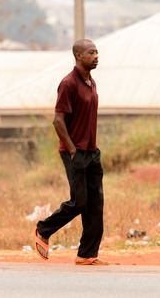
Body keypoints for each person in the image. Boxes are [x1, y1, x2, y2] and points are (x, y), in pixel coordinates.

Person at [34, 39, 108, 265]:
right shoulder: (68, 83)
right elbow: (58, 121)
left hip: (91, 151)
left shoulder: (91, 82)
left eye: (97, 52)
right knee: (80, 202)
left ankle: (87, 254)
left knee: (95, 204)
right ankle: (43, 229)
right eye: (91, 53)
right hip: (74, 152)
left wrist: (89, 150)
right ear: (78, 55)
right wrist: (73, 150)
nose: (96, 56)